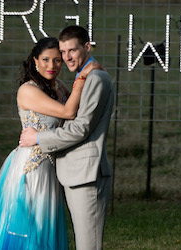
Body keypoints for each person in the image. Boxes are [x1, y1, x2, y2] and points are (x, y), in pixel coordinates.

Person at [0, 37, 100, 250]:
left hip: (51, 167)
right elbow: (68, 111)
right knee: (29, 231)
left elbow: (79, 113)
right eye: (46, 60)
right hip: (32, 168)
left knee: (44, 229)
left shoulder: (58, 87)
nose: (52, 66)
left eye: (57, 60)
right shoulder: (27, 90)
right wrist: (82, 77)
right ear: (35, 60)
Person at [20, 25, 115, 250]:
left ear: (87, 47)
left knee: (88, 245)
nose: (66, 57)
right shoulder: (78, 80)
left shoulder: (95, 79)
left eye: (71, 51)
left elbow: (80, 128)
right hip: (67, 173)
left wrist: (39, 138)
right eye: (63, 52)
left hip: (87, 173)